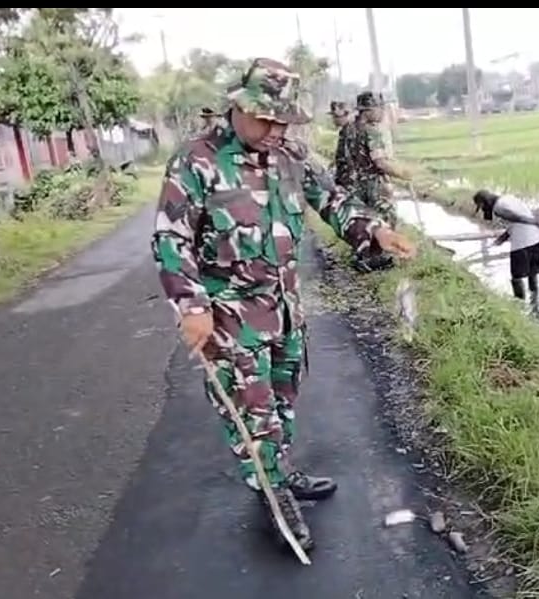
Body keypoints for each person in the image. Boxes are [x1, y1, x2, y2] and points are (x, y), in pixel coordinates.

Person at [151, 57, 416, 553]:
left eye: (282, 120)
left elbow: (333, 201)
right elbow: (171, 239)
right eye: (265, 119)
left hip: (286, 312)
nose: (274, 129)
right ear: (238, 108)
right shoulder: (197, 161)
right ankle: (275, 501)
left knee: (283, 404)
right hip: (231, 321)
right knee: (254, 417)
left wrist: (375, 230)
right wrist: (191, 305)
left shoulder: (291, 156)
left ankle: (279, 470)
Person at [472, 190, 539, 300]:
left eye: (481, 207)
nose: (482, 210)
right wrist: (502, 239)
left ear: (483, 203)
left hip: (522, 241)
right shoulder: (508, 198)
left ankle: (520, 305)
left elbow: (519, 218)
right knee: (532, 274)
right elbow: (516, 223)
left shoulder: (498, 208)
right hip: (536, 237)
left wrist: (537, 222)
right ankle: (535, 301)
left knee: (516, 277)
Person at [350, 91, 411, 227]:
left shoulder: (348, 130)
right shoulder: (371, 132)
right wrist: (402, 173)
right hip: (373, 188)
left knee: (363, 226)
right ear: (368, 110)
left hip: (353, 187)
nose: (382, 112)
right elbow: (380, 163)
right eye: (380, 108)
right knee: (385, 223)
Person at [329, 100, 355, 189]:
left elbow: (350, 158)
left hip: (348, 179)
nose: (334, 119)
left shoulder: (350, 132)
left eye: (337, 116)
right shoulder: (344, 131)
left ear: (347, 115)